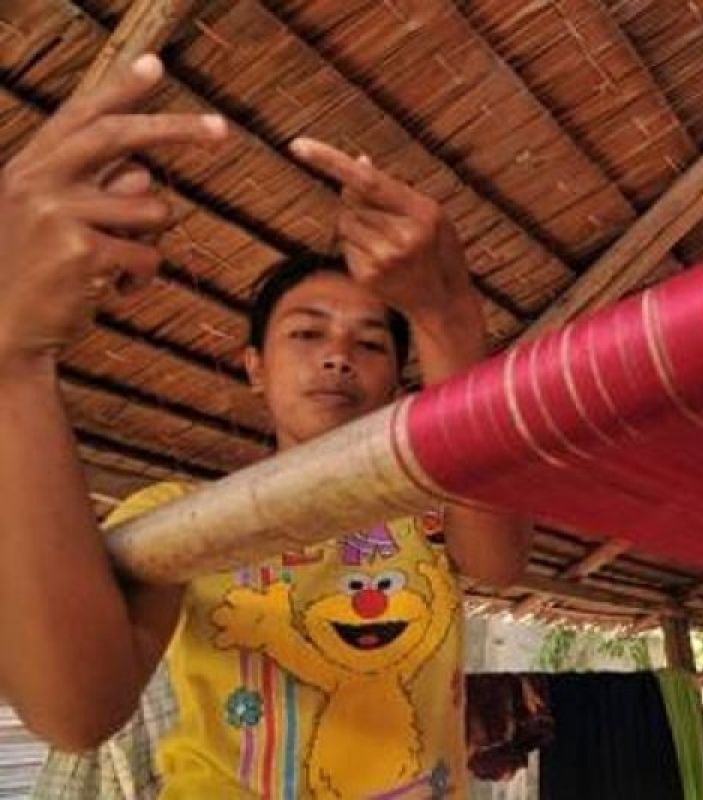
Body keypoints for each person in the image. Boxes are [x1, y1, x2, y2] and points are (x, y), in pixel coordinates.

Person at [0, 53, 531, 799]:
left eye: (371, 342)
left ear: (394, 382)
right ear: (254, 366)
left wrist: (448, 319)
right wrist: (13, 358)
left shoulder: (433, 515)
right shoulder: (174, 520)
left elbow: (502, 563)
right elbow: (75, 711)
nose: (339, 357)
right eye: (306, 335)